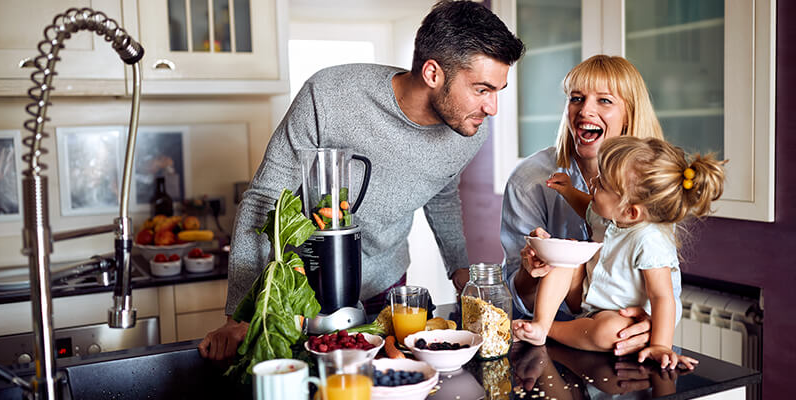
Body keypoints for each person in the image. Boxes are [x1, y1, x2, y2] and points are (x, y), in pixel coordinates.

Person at [198, 0, 525, 361]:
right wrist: (239, 316)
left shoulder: (470, 130)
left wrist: (460, 270)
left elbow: (441, 191)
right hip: (303, 290)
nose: (493, 108)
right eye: (482, 89)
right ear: (433, 74)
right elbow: (264, 199)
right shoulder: (329, 96)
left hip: (387, 287)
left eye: (498, 91)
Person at [513, 136, 726, 369]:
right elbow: (587, 206)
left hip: (617, 315)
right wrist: (567, 191)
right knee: (565, 252)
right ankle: (540, 324)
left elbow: (662, 296)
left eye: (602, 185)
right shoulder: (613, 215)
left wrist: (661, 345)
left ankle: (548, 331)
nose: (593, 183)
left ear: (631, 212)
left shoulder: (650, 240)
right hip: (586, 296)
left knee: (611, 332)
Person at [499, 54, 663, 355]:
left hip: (621, 336)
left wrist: (653, 327)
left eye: (604, 101)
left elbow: (663, 276)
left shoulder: (651, 182)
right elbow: (513, 295)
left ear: (630, 113)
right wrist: (529, 269)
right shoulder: (529, 180)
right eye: (576, 98)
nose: (584, 110)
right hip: (546, 344)